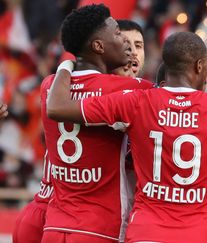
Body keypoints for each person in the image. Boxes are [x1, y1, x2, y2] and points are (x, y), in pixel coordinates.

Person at [48, 31, 207, 243]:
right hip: (197, 234)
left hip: (144, 231)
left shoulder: (138, 101)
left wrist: (67, 64)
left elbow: (58, 108)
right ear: (200, 66)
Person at [38, 4, 153, 243]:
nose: (126, 43)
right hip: (98, 229)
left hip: (54, 226)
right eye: (118, 34)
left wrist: (67, 64)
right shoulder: (129, 88)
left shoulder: (49, 86)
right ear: (98, 46)